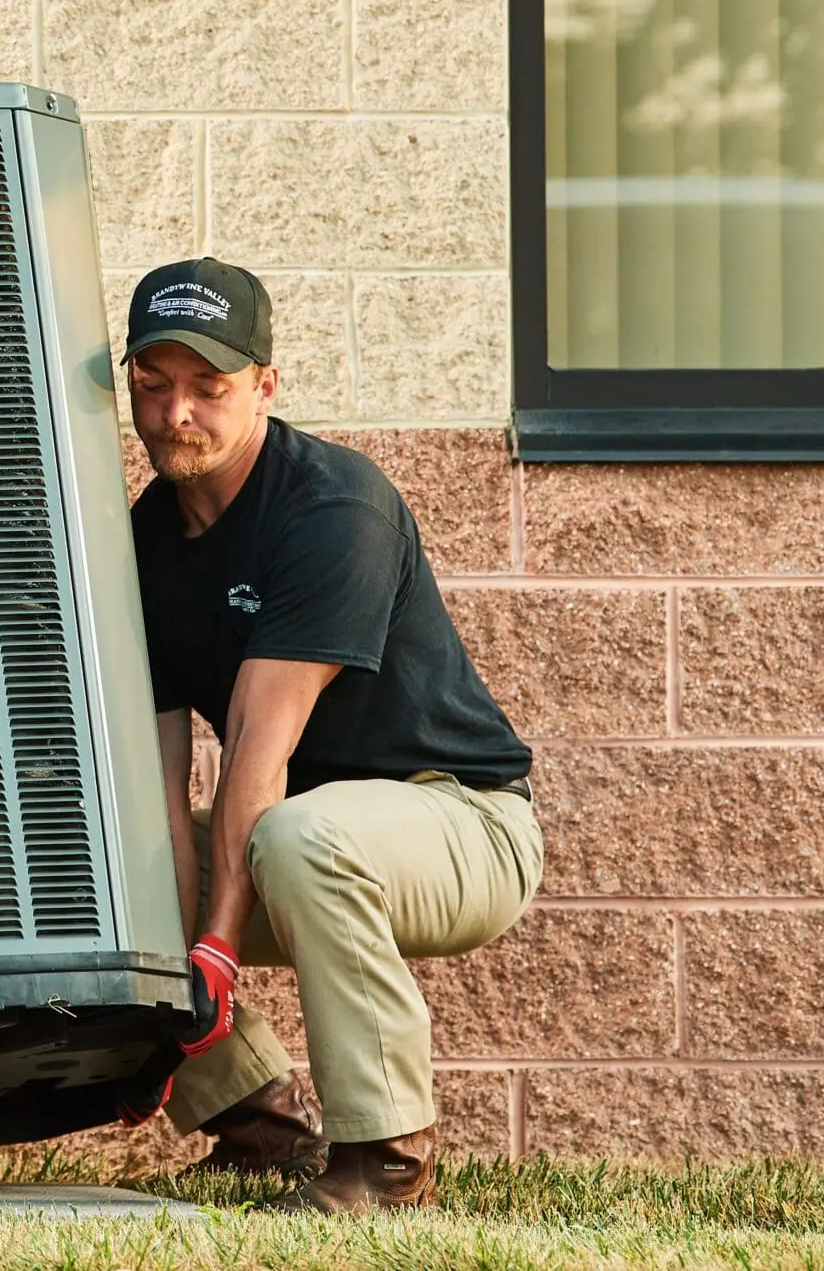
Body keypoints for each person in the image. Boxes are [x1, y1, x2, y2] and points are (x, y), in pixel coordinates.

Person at [120, 259, 543, 1212]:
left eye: (209, 388)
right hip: (298, 836)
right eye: (154, 385)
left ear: (265, 386)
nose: (177, 413)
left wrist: (216, 948)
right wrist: (148, 979)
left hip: (462, 822)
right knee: (111, 862)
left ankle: (386, 1164)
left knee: (294, 832)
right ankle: (253, 1118)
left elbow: (257, 761)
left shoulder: (331, 508)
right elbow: (154, 772)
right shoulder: (141, 541)